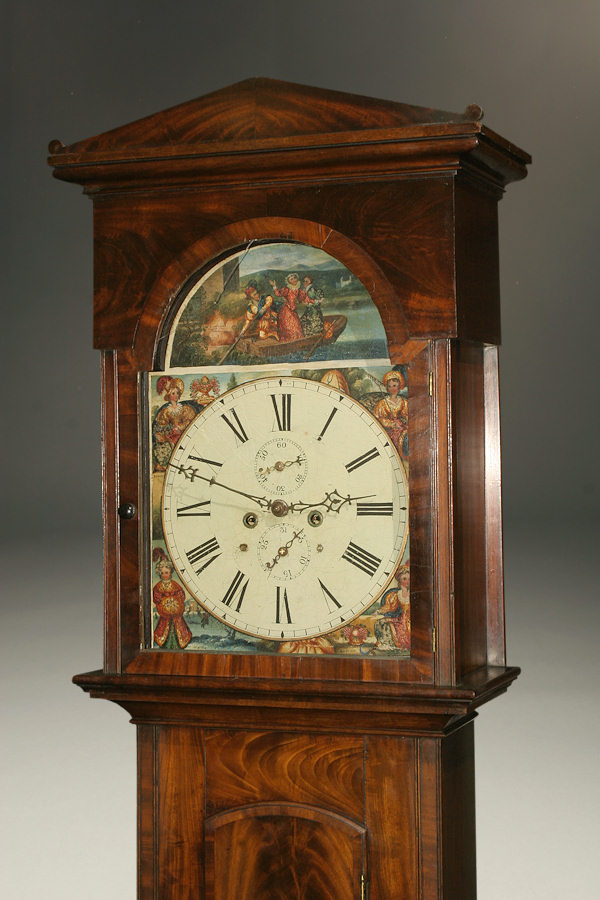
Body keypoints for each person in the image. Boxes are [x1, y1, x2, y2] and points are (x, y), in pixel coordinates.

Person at [152, 376, 198, 470]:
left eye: (177, 393)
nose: (176, 395)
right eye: (173, 393)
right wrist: (166, 432)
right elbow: (161, 426)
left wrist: (180, 427)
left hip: (183, 435)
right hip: (171, 437)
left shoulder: (185, 408)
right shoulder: (165, 411)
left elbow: (189, 421)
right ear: (169, 395)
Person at [152, 548, 192, 649]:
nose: (165, 575)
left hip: (176, 614)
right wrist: (163, 602)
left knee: (177, 629)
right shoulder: (158, 586)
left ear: (170, 572)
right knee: (165, 629)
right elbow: (156, 597)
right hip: (165, 615)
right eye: (163, 573)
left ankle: (176, 644)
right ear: (159, 573)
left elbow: (181, 594)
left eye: (167, 572)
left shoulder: (175, 585)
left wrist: (175, 601)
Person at [373, 370, 408, 459]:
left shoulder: (404, 402)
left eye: (394, 386)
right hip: (389, 430)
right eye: (390, 386)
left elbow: (407, 416)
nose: (392, 389)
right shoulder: (383, 403)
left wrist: (404, 423)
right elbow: (379, 419)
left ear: (399, 386)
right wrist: (392, 424)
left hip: (402, 427)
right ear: (387, 388)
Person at [269, 272, 306, 341]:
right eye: (291, 279)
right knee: (289, 325)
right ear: (289, 281)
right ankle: (288, 341)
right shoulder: (287, 289)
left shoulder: (298, 290)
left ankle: (297, 341)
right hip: (286, 311)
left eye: (294, 278)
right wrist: (274, 286)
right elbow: (278, 294)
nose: (293, 280)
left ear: (297, 279)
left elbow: (301, 298)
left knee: (296, 325)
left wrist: (304, 293)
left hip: (293, 310)